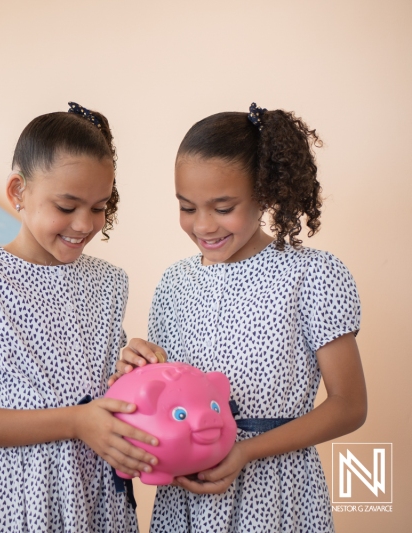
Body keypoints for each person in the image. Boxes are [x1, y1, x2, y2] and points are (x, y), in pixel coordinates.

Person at [115, 103, 367, 532]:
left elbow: (350, 406)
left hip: (275, 496)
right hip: (184, 502)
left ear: (265, 194)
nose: (203, 225)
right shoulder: (174, 283)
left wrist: (245, 452)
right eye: (187, 207)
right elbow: (167, 397)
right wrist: (135, 372)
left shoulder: (313, 274)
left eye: (223, 206)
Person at [0, 102, 164, 532]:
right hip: (17, 497)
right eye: (67, 205)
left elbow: (101, 388)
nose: (84, 223)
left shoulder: (110, 282)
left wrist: (132, 370)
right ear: (18, 191)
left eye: (98, 207)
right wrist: (75, 422)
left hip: (96, 494)